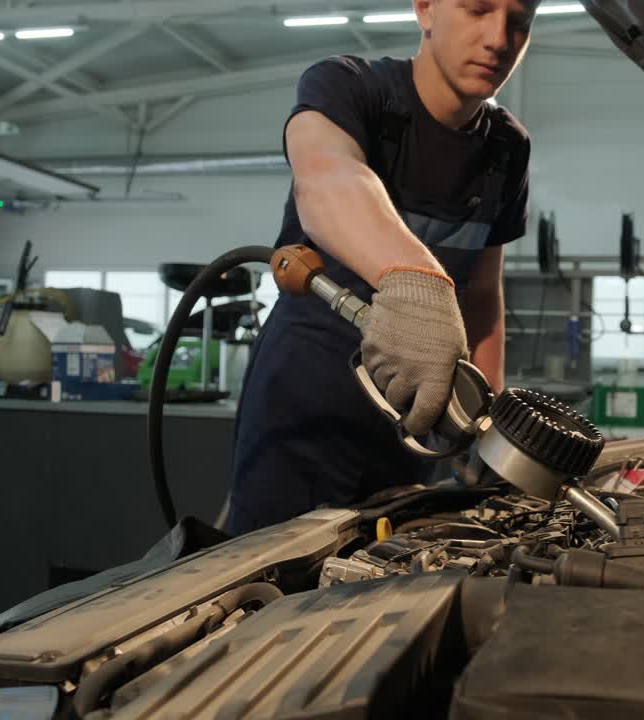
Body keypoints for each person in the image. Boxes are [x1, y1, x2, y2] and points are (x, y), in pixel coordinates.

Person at [227, 0, 538, 534]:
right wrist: (417, 281)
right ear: (425, 8)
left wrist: (485, 422)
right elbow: (325, 175)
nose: (498, 38)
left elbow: (483, 294)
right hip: (304, 411)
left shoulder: (507, 149)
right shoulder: (350, 88)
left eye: (519, 21)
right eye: (478, 9)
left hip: (412, 425)